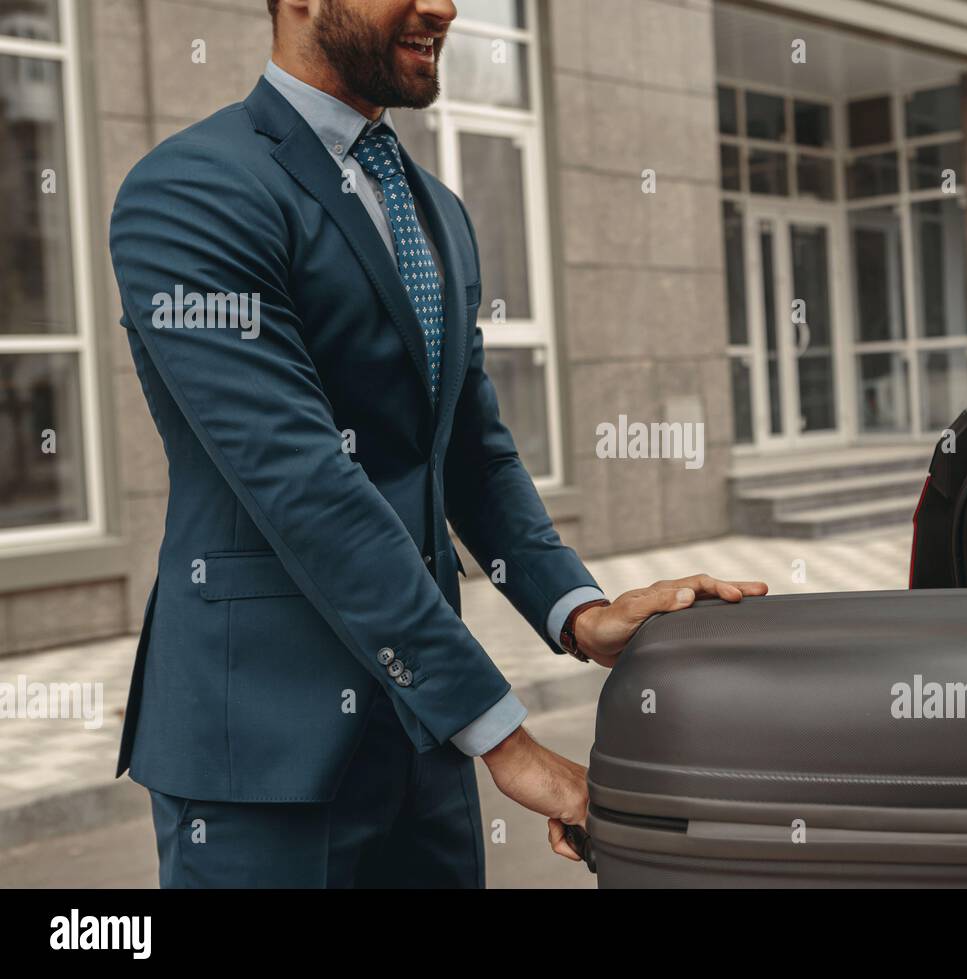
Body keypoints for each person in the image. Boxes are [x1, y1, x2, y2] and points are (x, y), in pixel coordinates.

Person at [108, 0, 767, 888]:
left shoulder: (438, 211)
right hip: (262, 761)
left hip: (425, 743)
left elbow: (472, 452)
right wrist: (506, 738)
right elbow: (305, 485)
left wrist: (575, 610)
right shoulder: (191, 188)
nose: (446, 6)